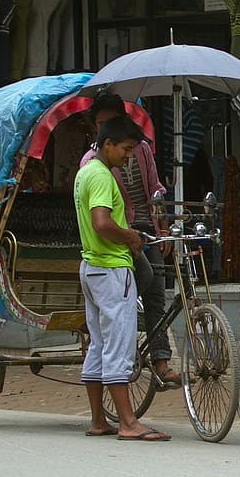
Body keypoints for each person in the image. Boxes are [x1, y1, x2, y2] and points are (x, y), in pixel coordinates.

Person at [74, 115, 170, 441]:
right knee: (119, 345)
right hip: (112, 268)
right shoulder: (100, 175)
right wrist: (130, 236)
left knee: (99, 346)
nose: (129, 157)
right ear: (108, 144)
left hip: (92, 267)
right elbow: (101, 222)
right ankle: (129, 422)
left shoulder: (84, 172)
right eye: (126, 150)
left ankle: (99, 420)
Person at [79, 91, 180, 390]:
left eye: (110, 121)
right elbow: (100, 219)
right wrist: (126, 236)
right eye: (100, 123)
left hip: (145, 224)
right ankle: (126, 331)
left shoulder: (140, 149)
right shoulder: (92, 164)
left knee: (157, 294)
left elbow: (155, 190)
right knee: (140, 285)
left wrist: (161, 230)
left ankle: (160, 361)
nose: (105, 128)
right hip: (118, 234)